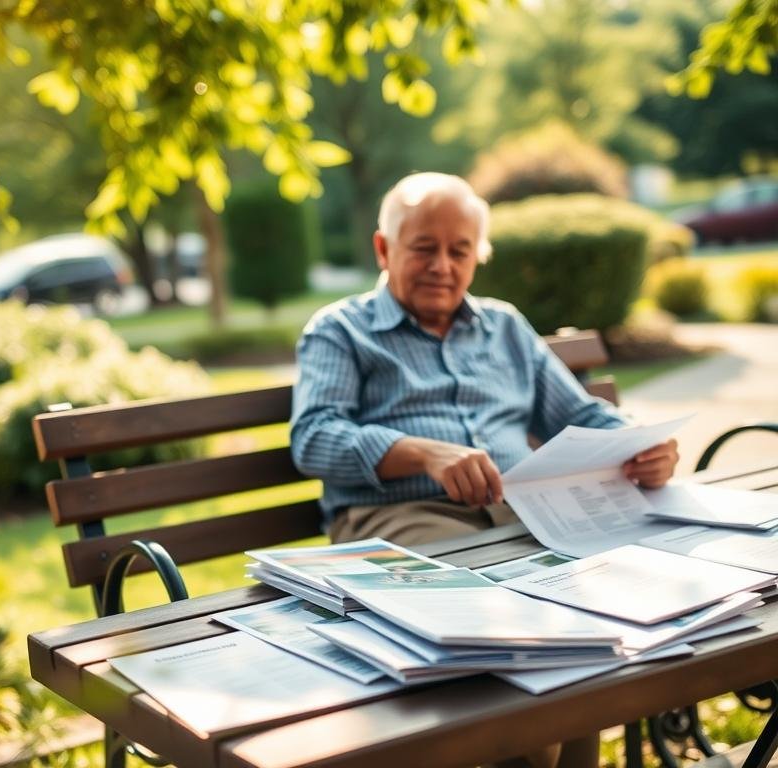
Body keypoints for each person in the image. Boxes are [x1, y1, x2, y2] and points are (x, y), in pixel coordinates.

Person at [290, 172, 679, 768]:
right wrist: (421, 452)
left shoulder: (504, 326)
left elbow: (576, 413)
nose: (442, 265)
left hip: (523, 517)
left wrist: (638, 444)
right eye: (424, 248)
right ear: (383, 249)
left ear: (477, 256)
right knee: (503, 629)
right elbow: (314, 438)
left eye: (459, 250)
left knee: (586, 624)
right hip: (400, 522)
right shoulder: (341, 330)